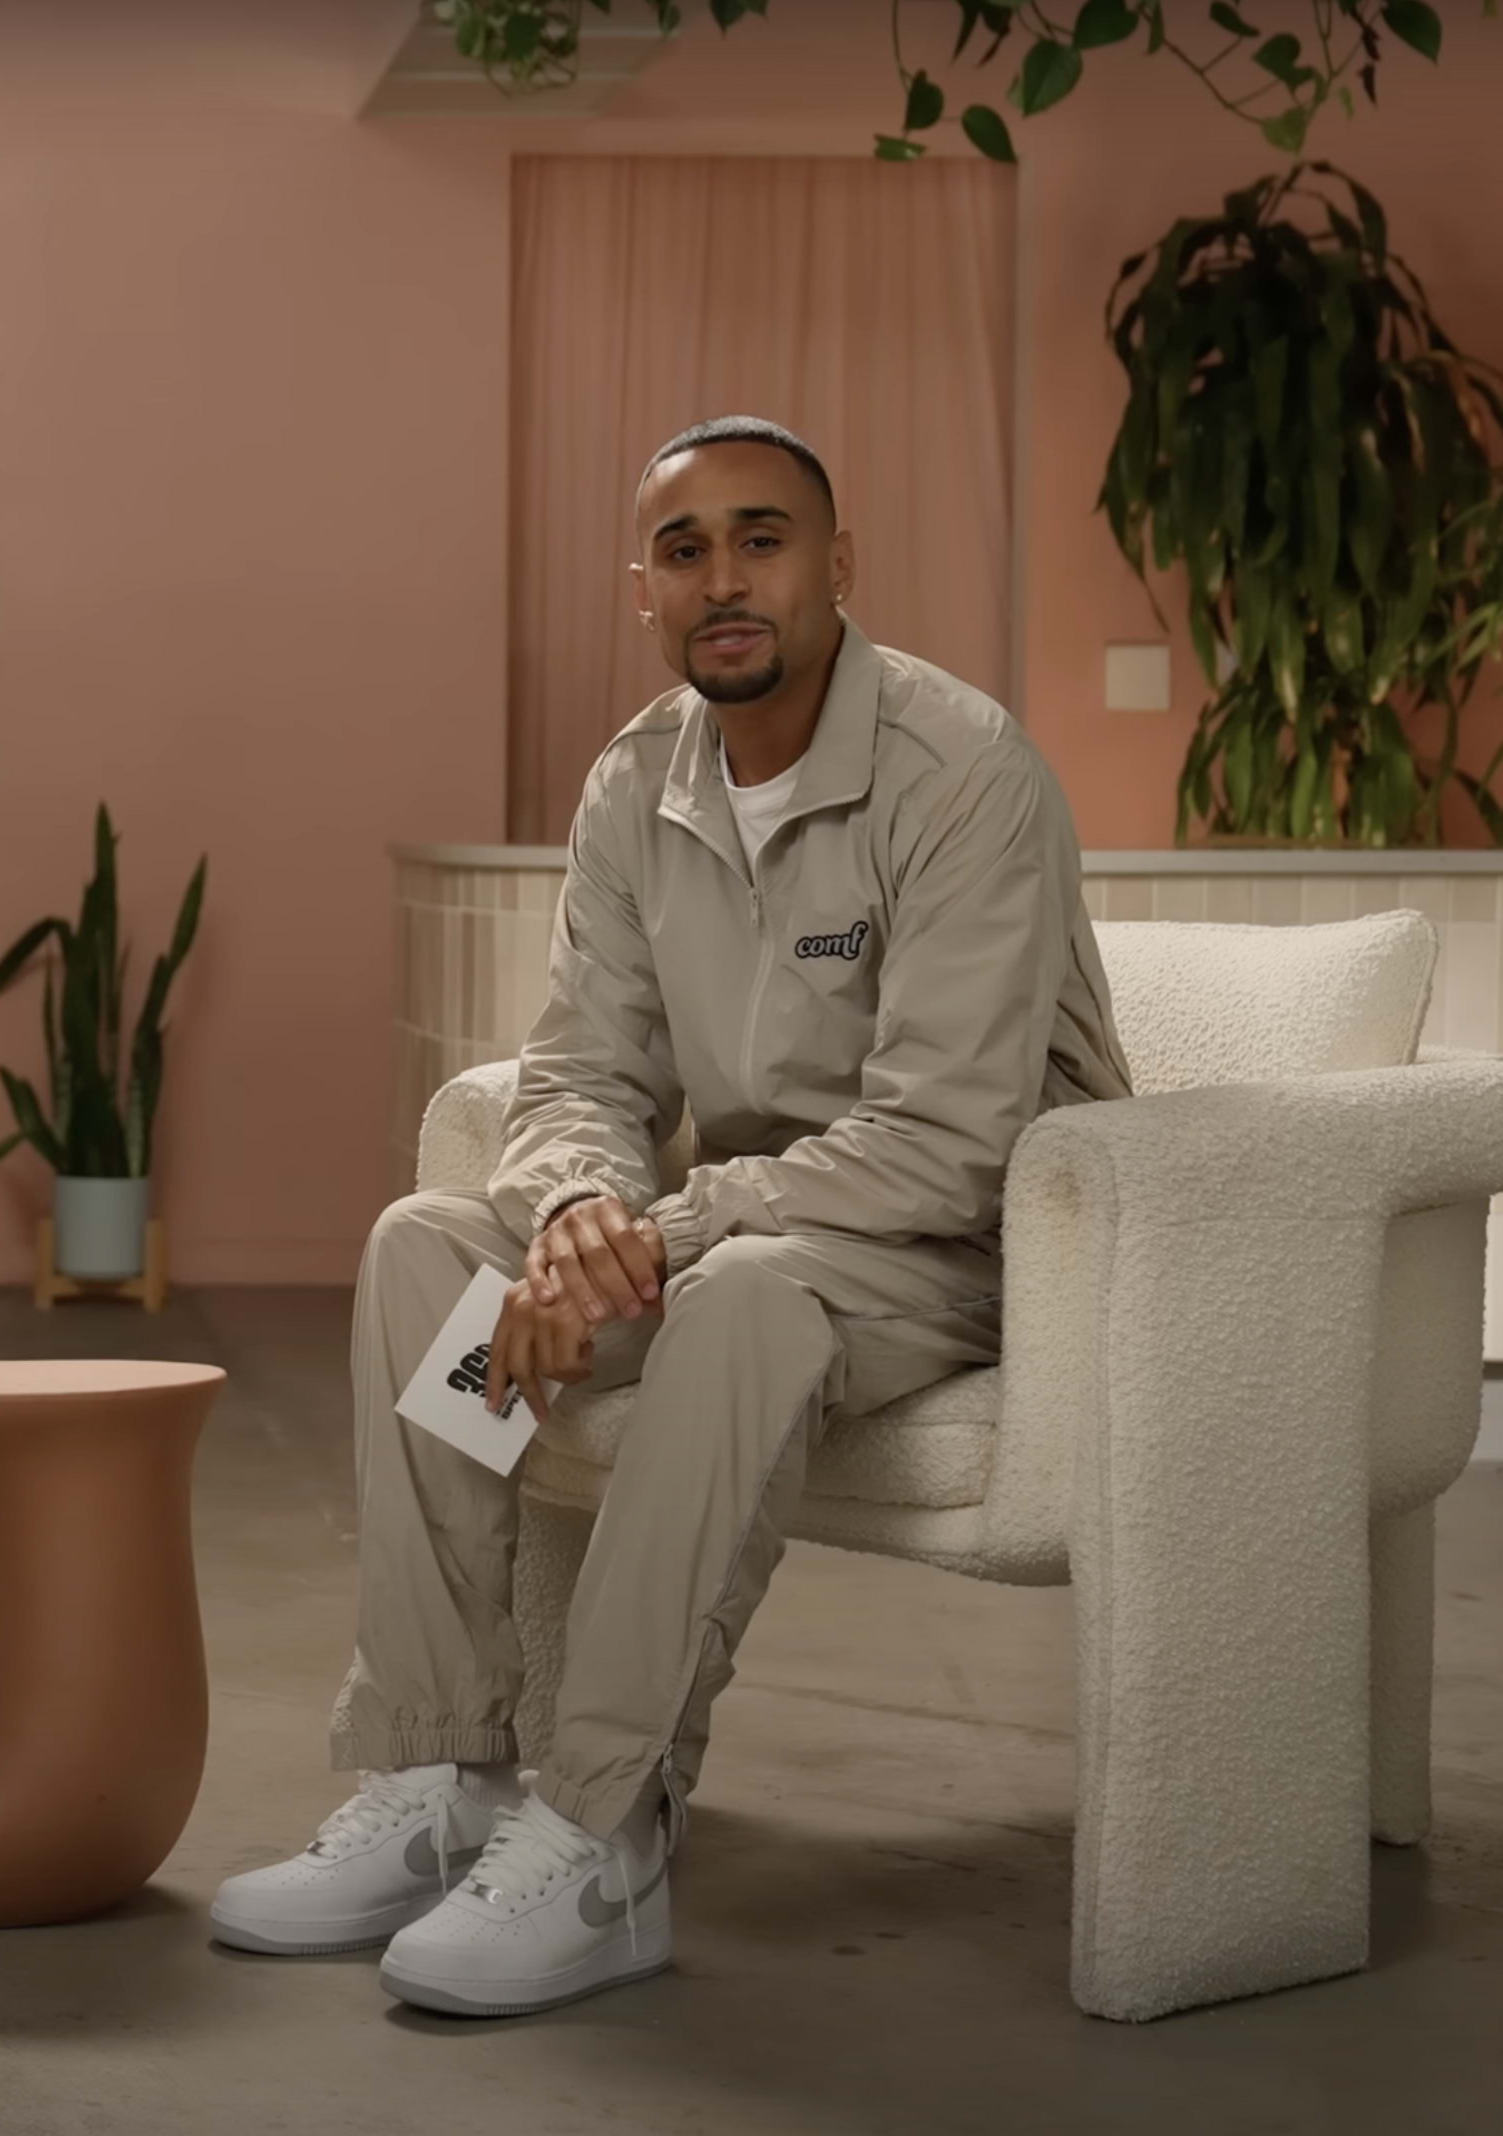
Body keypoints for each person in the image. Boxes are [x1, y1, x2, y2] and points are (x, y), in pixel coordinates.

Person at [209, 416, 1133, 2018]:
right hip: (737, 1224)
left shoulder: (962, 770)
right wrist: (580, 1206)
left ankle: (604, 1829)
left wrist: (668, 1229)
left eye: (763, 539)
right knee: (428, 1253)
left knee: (746, 1292)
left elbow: (949, 1141)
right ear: (644, 589)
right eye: (685, 550)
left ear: (839, 565)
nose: (725, 579)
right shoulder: (637, 782)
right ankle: (439, 1773)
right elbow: (583, 1070)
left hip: (958, 1247)